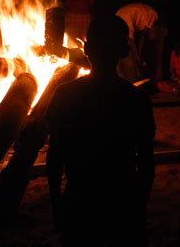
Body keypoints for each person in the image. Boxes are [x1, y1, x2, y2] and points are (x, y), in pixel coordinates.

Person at [45, 14, 156, 246]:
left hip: (80, 198)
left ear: (86, 49)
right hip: (122, 200)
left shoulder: (65, 95)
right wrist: (140, 207)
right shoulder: (136, 99)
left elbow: (55, 155)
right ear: (125, 51)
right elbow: (146, 161)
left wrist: (56, 201)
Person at [116, 2, 158, 83]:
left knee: (121, 60)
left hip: (117, 21)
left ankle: (122, 82)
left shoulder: (146, 11)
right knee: (130, 62)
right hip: (124, 27)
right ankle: (132, 85)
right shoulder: (153, 16)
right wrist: (138, 54)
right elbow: (144, 37)